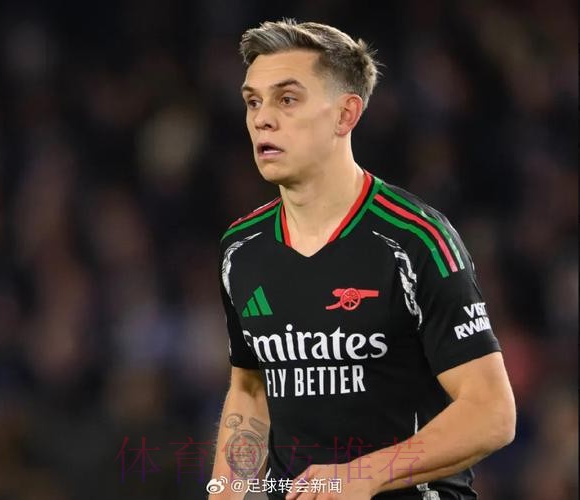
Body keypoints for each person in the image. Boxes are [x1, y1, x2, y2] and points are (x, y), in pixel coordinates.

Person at [209, 19, 516, 500]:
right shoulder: (241, 249)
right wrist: (225, 493)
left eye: (287, 99)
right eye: (253, 102)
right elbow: (251, 390)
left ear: (345, 114)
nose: (262, 119)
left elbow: (491, 413)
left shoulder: (416, 240)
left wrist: (365, 474)